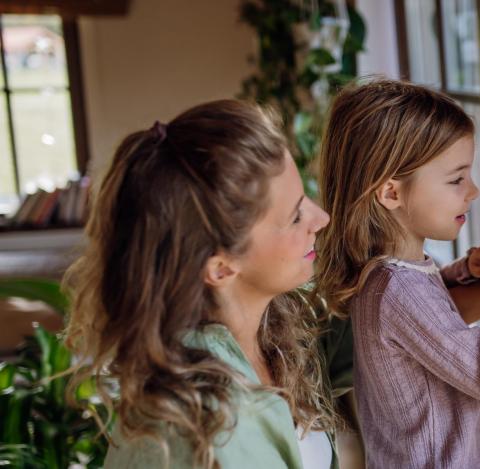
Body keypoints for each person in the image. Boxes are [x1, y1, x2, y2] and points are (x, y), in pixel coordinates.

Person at [64, 100, 348, 469]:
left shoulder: (275, 325)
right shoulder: (197, 429)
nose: (321, 218)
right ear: (220, 268)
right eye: (295, 216)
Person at [315, 79, 480, 468]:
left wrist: (467, 271)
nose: (472, 191)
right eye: (456, 179)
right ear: (391, 193)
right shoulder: (396, 290)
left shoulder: (390, 273)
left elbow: (426, 309)